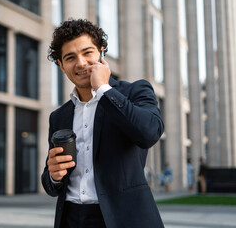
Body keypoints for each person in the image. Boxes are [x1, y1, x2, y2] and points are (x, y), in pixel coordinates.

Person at [41, 19, 165, 228]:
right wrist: (53, 176)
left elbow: (149, 133)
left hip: (124, 218)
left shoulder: (135, 92)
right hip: (71, 218)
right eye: (70, 58)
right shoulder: (58, 116)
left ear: (101, 52)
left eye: (87, 53)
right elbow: (51, 182)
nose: (80, 63)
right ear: (61, 66)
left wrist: (103, 90)